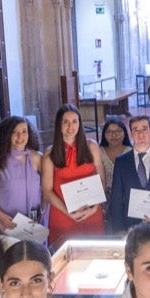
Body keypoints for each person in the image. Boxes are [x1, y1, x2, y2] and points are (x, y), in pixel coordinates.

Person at [43, 104, 106, 244]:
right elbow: (47, 191)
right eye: (65, 122)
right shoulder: (50, 152)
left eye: (74, 121)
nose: (70, 127)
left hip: (91, 213)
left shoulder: (92, 146)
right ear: (59, 125)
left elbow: (101, 178)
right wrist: (68, 212)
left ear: (80, 124)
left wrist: (95, 207)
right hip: (63, 215)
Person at [0, 115, 46, 241]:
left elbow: (46, 190)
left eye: (24, 132)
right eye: (15, 133)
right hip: (8, 224)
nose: (20, 137)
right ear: (6, 136)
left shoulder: (37, 158)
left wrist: (43, 212)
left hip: (35, 222)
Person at [98, 115, 132, 189]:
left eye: (118, 131)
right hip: (104, 194)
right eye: (109, 132)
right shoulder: (99, 152)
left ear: (125, 133)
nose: (113, 135)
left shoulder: (131, 152)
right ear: (104, 135)